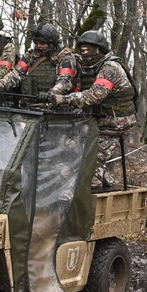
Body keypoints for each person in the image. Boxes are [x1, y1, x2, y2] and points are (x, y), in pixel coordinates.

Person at [49, 30, 136, 190]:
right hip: (96, 121)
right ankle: (105, 186)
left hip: (117, 124)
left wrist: (65, 99)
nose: (85, 53)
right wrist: (54, 94)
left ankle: (91, 195)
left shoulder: (110, 68)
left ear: (99, 49)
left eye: (89, 50)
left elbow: (94, 96)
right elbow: (68, 82)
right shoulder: (87, 67)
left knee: (90, 162)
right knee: (69, 153)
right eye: (82, 50)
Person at [0, 22, 75, 105]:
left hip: (55, 108)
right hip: (30, 106)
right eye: (36, 43)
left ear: (52, 43)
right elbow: (16, 73)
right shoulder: (30, 55)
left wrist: (52, 93)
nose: (38, 46)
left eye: (42, 43)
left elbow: (65, 81)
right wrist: (0, 85)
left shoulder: (65, 57)